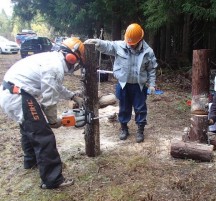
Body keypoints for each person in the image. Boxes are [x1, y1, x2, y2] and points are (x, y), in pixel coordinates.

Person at [0, 37, 85, 189]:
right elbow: (49, 100)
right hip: (18, 95)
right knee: (43, 135)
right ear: (71, 57)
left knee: (28, 128)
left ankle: (30, 161)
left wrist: (72, 96)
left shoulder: (52, 60)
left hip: (11, 92)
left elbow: (55, 86)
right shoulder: (54, 67)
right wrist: (53, 121)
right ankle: (53, 179)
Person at [85, 23, 158, 143]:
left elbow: (151, 69)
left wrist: (152, 84)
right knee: (123, 108)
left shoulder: (148, 51)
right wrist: (97, 42)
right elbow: (108, 45)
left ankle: (140, 129)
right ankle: (124, 128)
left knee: (140, 108)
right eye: (129, 42)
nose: (131, 45)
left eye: (133, 43)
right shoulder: (120, 46)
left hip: (139, 86)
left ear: (140, 39)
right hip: (123, 84)